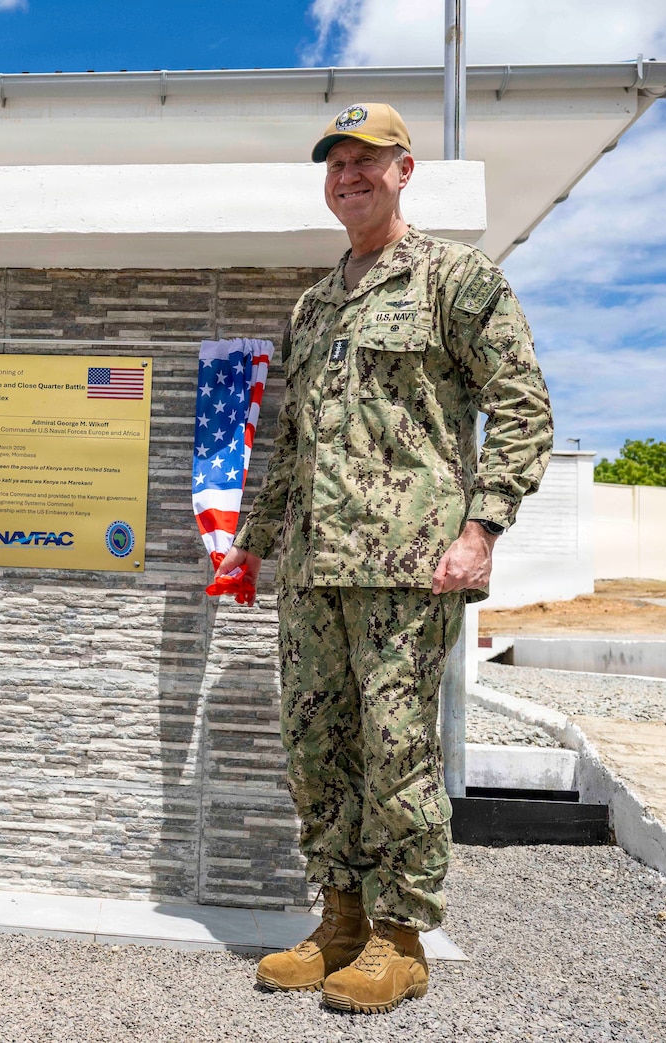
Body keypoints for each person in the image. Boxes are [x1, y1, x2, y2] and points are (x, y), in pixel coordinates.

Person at [215, 103, 552, 1013]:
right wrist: (253, 544)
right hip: (314, 570)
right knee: (316, 750)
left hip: (410, 567)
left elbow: (522, 408)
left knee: (397, 750)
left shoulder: (457, 280)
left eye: (368, 160)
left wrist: (481, 529)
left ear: (406, 170)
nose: (349, 175)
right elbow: (291, 440)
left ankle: (401, 940)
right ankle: (340, 918)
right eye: (336, 163)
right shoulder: (314, 305)